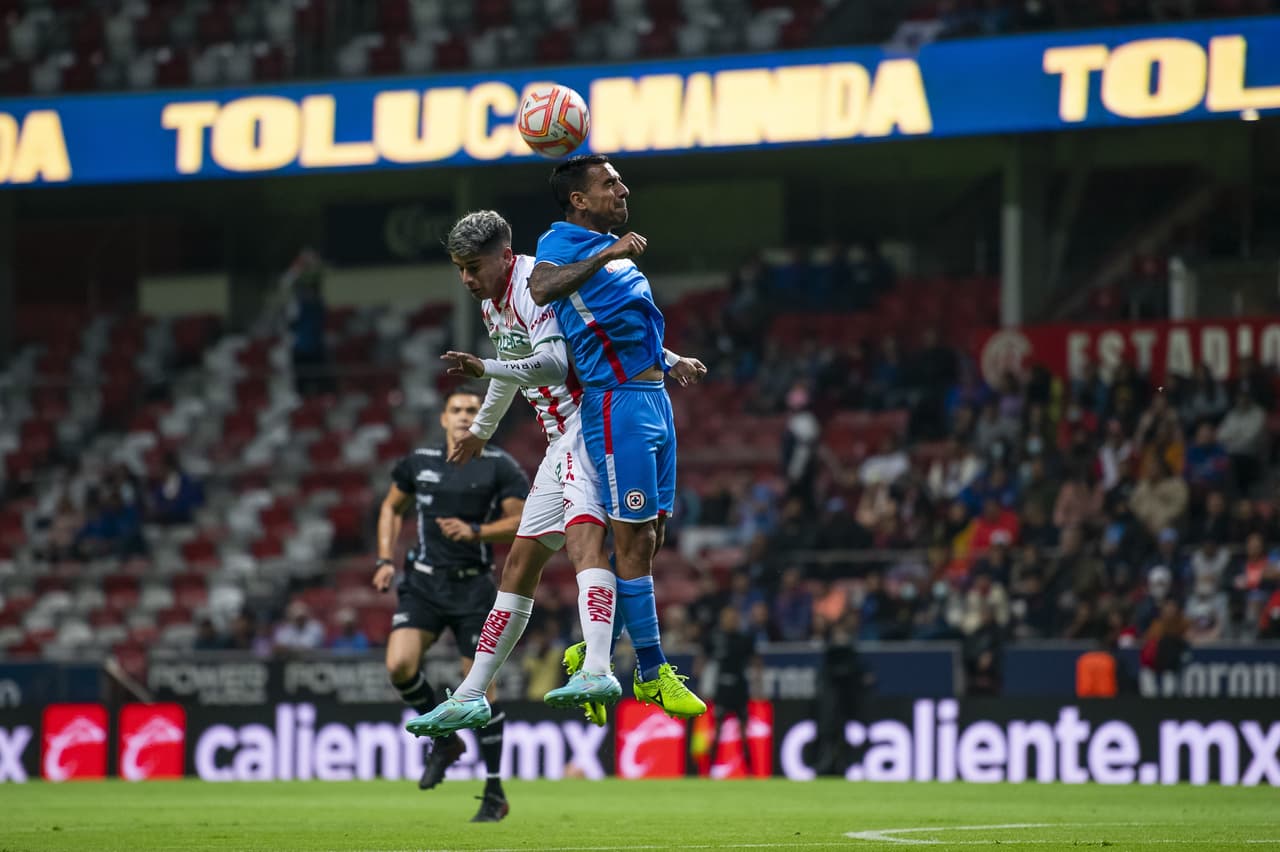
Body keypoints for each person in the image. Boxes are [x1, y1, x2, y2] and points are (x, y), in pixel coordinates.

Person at [404, 211, 704, 738]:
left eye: (473, 267)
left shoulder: (533, 287)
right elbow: (516, 363)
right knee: (520, 563)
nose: (467, 279)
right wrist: (482, 429)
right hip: (558, 438)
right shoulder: (492, 303)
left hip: (589, 424)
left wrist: (485, 368)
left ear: (504, 256)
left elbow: (553, 364)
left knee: (587, 542)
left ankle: (598, 667)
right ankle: (472, 696)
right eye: (459, 269)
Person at [527, 154, 708, 719]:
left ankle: (595, 648)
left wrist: (670, 359)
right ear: (578, 199)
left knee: (650, 537)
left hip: (655, 400)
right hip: (616, 406)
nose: (622, 189)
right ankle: (651, 673)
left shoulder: (615, 252)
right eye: (610, 183)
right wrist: (607, 253)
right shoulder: (561, 242)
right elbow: (540, 287)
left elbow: (624, 323)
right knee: (631, 540)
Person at [373, 387, 528, 822]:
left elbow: (522, 521)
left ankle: (494, 792)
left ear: (485, 417)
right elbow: (391, 508)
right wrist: (384, 559)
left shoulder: (499, 466)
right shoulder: (419, 463)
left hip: (473, 589)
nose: (464, 416)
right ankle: (444, 740)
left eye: (473, 410)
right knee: (399, 666)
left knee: (480, 691)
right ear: (443, 418)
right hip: (423, 583)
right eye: (456, 410)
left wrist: (476, 532)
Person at [699, 605, 759, 777]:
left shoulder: (745, 639)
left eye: (733, 618)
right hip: (722, 688)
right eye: (727, 618)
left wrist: (758, 686)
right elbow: (702, 659)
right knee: (717, 730)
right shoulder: (714, 638)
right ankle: (709, 770)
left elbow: (755, 661)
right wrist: (702, 684)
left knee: (744, 732)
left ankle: (750, 770)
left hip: (740, 688)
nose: (731, 621)